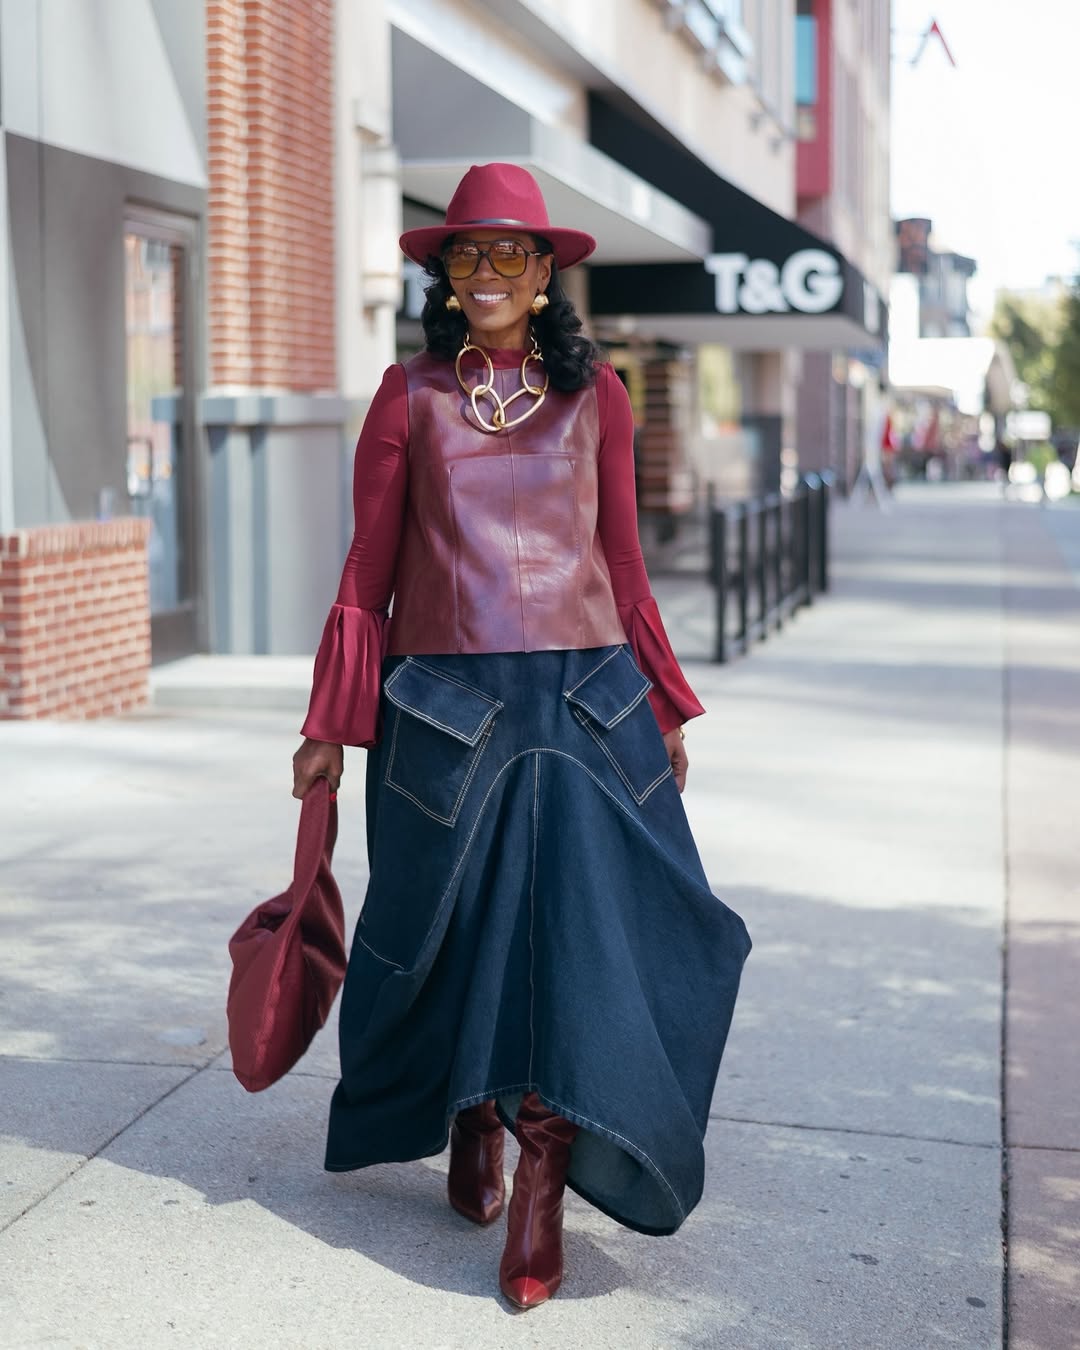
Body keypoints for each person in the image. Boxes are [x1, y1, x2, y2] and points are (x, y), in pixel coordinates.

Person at [292, 163, 751, 1310]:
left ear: (547, 273)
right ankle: (468, 1118)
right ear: (444, 275)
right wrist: (325, 725)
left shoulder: (598, 401)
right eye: (466, 253)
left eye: (510, 253)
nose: (487, 272)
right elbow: (368, 568)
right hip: (445, 707)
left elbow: (625, 561)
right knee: (440, 932)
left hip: (585, 700)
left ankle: (542, 1163)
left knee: (580, 940)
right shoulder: (406, 398)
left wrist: (662, 696)